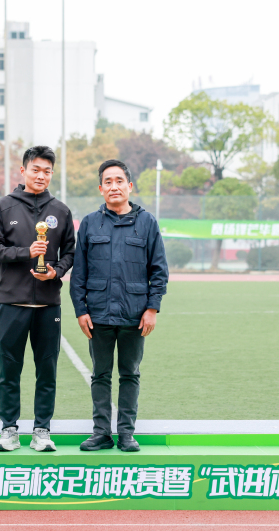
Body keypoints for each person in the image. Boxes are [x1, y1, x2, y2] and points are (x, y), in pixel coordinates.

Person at [70, 159, 169, 452]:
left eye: (119, 181)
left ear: (129, 186)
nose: (114, 186)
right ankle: (101, 433)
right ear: (101, 189)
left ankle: (126, 433)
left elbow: (159, 270)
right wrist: (80, 310)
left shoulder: (147, 222)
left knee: (130, 374)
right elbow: (79, 272)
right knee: (100, 375)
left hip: (134, 315)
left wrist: (152, 308)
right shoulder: (90, 223)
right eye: (108, 182)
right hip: (98, 314)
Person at [0, 146, 76, 452]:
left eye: (47, 171)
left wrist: (56, 272)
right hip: (12, 303)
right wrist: (27, 252)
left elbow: (70, 252)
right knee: (9, 371)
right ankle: (9, 430)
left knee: (47, 371)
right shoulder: (4, 206)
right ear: (23, 171)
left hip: (49, 305)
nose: (41, 176)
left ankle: (42, 431)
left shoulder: (60, 211)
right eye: (35, 170)